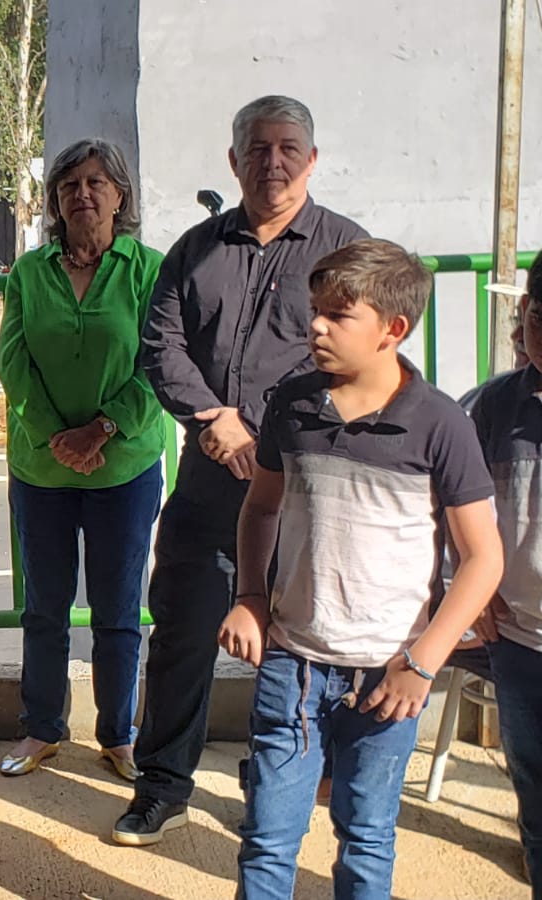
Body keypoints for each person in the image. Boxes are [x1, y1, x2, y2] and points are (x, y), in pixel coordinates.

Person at [116, 94, 369, 845]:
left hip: (302, 492)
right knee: (181, 634)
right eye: (258, 148)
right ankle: (162, 786)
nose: (273, 162)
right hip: (207, 485)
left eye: (288, 148)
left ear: (312, 160)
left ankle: (275, 788)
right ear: (234, 161)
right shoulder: (196, 249)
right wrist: (214, 419)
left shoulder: (345, 251)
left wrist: (260, 430)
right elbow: (160, 345)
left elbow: (351, 359)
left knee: (294, 649)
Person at [220, 238, 503, 899]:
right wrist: (251, 596)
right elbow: (261, 507)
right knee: (267, 838)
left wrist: (422, 663)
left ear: (392, 330)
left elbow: (483, 557)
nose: (316, 327)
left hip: (390, 675)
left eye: (338, 315)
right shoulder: (292, 405)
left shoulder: (440, 424)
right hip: (294, 664)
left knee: (367, 837)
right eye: (315, 311)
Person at [0, 138, 166, 782]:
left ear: (120, 196)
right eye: (69, 185)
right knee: (45, 607)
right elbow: (13, 362)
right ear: (55, 203)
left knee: (119, 611)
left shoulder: (148, 270)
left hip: (123, 467)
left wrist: (100, 431)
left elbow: (160, 362)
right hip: (42, 468)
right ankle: (41, 729)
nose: (83, 194)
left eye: (96, 183)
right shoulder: (29, 272)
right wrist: (58, 438)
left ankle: (119, 736)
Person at [468, 256, 542, 896]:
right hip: (519, 638)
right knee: (535, 794)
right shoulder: (492, 407)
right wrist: (478, 592)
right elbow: (456, 514)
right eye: (540, 318)